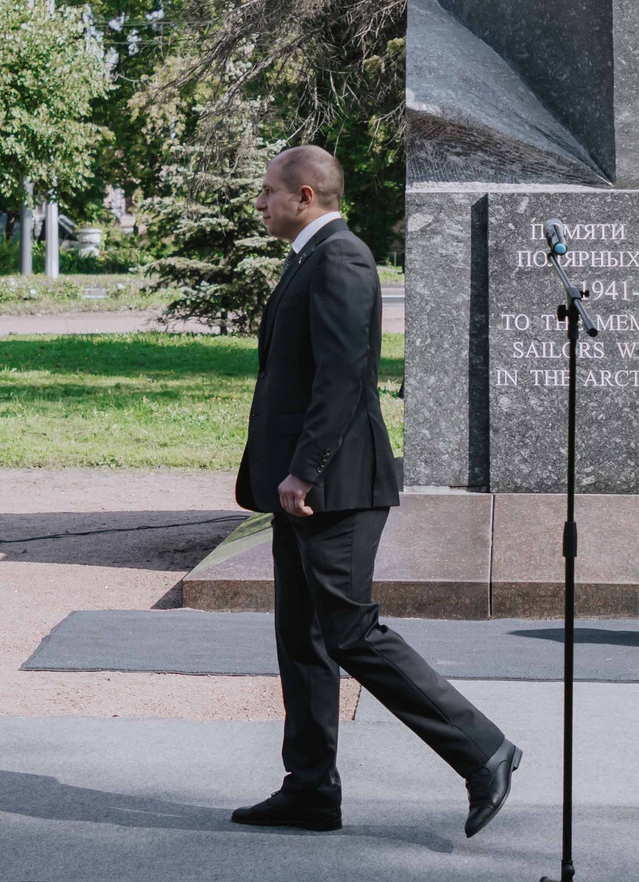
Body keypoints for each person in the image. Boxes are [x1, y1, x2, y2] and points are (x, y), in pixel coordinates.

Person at [230, 146, 520, 838]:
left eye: (268, 193)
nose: (260, 203)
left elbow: (341, 376)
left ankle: (484, 750)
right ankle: (309, 788)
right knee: (299, 635)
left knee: (350, 631)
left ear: (305, 194)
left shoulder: (341, 258)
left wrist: (304, 469)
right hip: (300, 486)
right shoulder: (308, 257)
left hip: (336, 485)